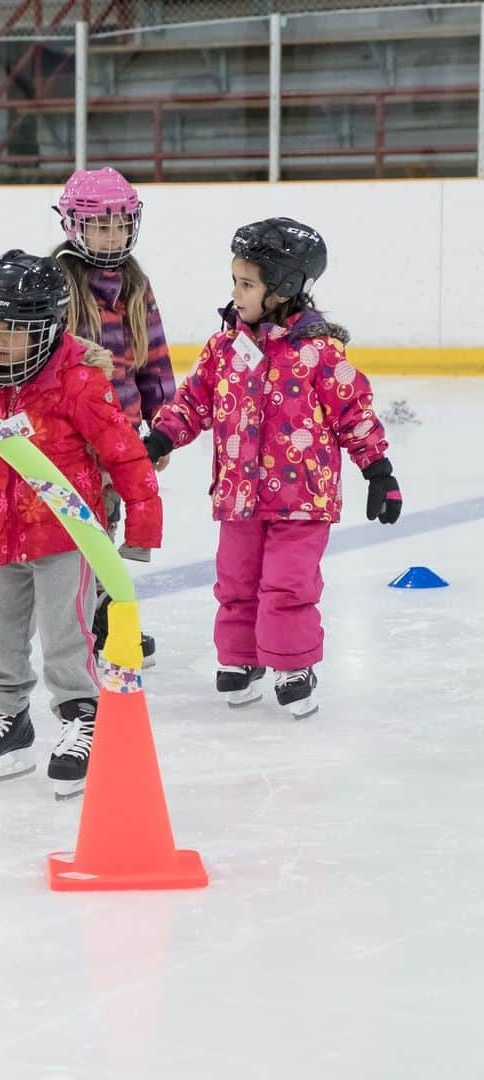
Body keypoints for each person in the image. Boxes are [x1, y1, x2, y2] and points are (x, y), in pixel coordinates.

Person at [0, 250, 162, 798]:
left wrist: (142, 520)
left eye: (14, 330)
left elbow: (122, 451)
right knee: (0, 633)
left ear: (47, 330)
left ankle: (82, 716)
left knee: (66, 633)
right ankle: (10, 717)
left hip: (65, 536)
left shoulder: (75, 379)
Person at [144, 218, 402, 719]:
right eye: (234, 282)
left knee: (288, 584)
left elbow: (356, 411)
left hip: (304, 500)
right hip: (239, 495)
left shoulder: (321, 354)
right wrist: (161, 435)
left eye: (247, 284)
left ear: (283, 288)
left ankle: (291, 663)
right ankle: (241, 659)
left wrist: (379, 471)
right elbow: (192, 402)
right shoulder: (223, 350)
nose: (236, 293)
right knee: (236, 582)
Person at [52, 166, 176, 668]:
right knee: (72, 535)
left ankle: (104, 620)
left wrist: (161, 426)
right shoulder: (57, 282)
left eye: (120, 223)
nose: (112, 234)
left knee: (105, 525)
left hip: (118, 438)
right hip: (65, 437)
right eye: (100, 225)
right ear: (74, 226)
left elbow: (154, 360)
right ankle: (76, 621)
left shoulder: (136, 284)